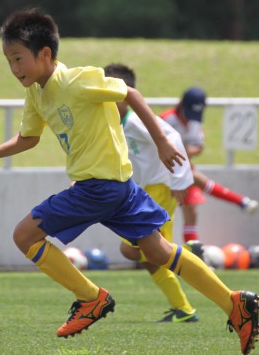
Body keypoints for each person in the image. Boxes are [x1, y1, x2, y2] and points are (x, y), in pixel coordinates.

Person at [0, 8, 259, 354]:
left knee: (24, 236)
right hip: (121, 188)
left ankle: (90, 298)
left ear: (45, 54)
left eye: (19, 58)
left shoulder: (77, 80)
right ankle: (234, 304)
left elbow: (131, 95)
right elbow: (29, 137)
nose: (14, 68)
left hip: (97, 188)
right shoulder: (36, 93)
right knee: (157, 251)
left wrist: (162, 140)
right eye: (9, 61)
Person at [104, 63, 198, 324]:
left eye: (111, 90)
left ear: (126, 94)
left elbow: (173, 138)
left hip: (160, 188)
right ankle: (183, 306)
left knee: (144, 251)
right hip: (143, 192)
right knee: (139, 253)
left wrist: (179, 180)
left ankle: (189, 258)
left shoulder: (136, 120)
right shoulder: (113, 122)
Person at [161, 87, 259, 244]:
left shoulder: (195, 122)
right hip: (162, 169)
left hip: (183, 168)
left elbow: (198, 147)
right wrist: (180, 152)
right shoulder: (165, 120)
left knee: (191, 212)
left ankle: (194, 253)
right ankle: (240, 201)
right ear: (181, 105)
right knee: (191, 183)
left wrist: (185, 151)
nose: (191, 118)